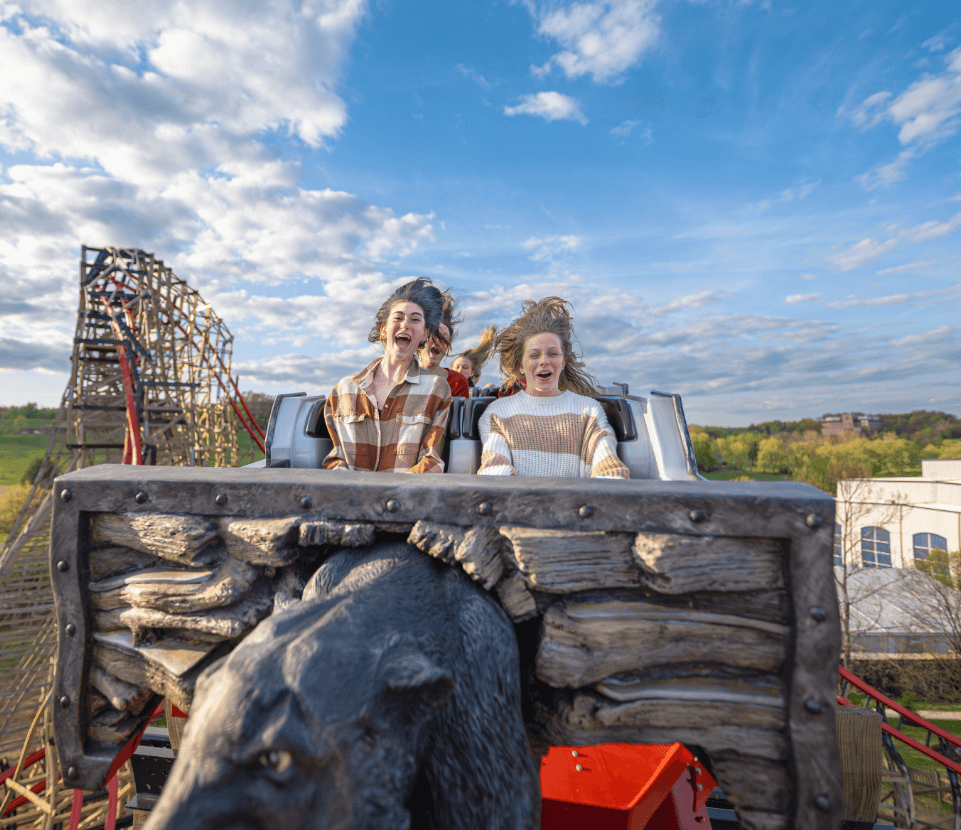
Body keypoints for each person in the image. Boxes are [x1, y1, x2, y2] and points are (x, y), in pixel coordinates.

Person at [477, 297, 629, 479]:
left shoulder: (589, 411)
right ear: (521, 366)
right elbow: (495, 470)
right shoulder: (497, 414)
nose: (544, 361)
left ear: (563, 362)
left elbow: (608, 469)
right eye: (534, 355)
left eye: (553, 354)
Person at [323, 279, 451, 473]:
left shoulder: (436, 389)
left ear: (424, 334)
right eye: (398, 318)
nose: (405, 324)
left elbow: (431, 462)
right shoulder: (344, 389)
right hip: (351, 499)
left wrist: (391, 497)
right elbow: (336, 461)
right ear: (384, 330)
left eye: (415, 319)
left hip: (404, 500)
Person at [417, 295, 470, 398]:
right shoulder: (401, 374)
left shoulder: (457, 381)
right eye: (434, 336)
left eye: (445, 339)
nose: (439, 342)